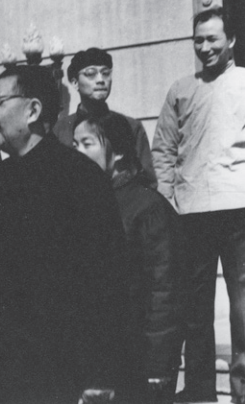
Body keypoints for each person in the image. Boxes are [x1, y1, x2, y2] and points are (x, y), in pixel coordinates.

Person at [0, 64, 129, 404]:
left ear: (33, 110)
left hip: (67, 366)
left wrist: (101, 372)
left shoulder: (80, 177)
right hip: (9, 364)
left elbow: (109, 278)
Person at [152, 7, 245, 404]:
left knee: (243, 305)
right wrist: (167, 200)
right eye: (199, 40)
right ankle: (201, 391)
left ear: (231, 40)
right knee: (195, 307)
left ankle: (242, 390)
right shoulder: (180, 89)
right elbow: (163, 150)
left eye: (213, 39)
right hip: (190, 212)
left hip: (238, 207)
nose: (205, 47)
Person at [74, 110, 185, 404]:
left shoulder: (147, 208)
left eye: (87, 144)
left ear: (120, 151)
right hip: (93, 360)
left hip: (138, 360)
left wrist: (159, 362)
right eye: (74, 145)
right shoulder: (82, 205)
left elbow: (164, 289)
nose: (77, 152)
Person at [53, 47, 157, 187]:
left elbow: (147, 182)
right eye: (91, 74)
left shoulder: (130, 127)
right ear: (75, 82)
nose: (101, 80)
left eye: (106, 73)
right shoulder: (61, 129)